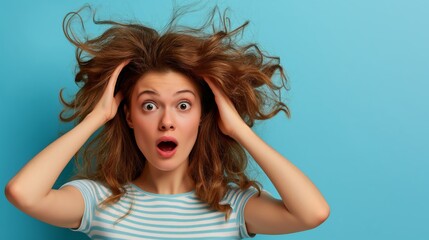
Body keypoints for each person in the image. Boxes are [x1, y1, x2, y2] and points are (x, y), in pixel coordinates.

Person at [5, 6, 329, 239]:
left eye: (184, 105)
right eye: (149, 105)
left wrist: (238, 129)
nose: (167, 122)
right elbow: (23, 193)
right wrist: (97, 118)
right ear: (128, 116)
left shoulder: (232, 207)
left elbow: (311, 213)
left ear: (203, 116)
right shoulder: (97, 201)